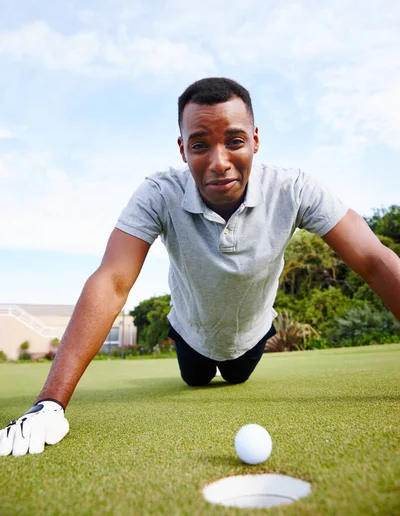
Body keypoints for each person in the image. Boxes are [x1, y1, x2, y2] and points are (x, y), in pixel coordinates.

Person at [1, 77, 399, 457]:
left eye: (235, 141)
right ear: (182, 149)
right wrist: (50, 402)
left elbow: (374, 259)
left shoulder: (295, 189)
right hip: (190, 334)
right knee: (195, 379)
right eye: (200, 145)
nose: (219, 162)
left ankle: (235, 359)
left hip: (251, 336)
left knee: (237, 375)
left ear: (256, 141)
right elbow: (112, 281)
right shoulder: (158, 193)